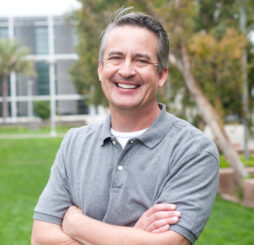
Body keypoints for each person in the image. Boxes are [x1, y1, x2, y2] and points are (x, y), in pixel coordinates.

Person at [31, 8, 219, 245]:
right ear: (101, 70)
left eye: (141, 60)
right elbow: (40, 238)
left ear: (161, 75)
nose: (127, 71)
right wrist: (133, 237)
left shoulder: (193, 150)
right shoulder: (74, 142)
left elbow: (170, 243)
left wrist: (75, 224)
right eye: (116, 58)